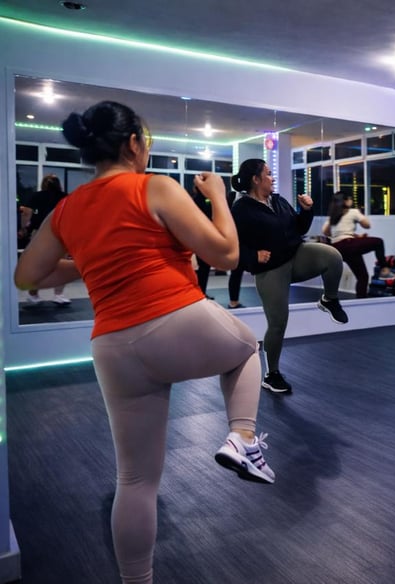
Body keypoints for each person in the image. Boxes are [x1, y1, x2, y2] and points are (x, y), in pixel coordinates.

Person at [14, 101, 274, 584]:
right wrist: (219, 196)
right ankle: (242, 438)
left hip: (113, 347)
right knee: (246, 350)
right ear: (133, 143)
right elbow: (227, 253)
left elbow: (27, 277)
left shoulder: (67, 209)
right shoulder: (154, 186)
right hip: (174, 316)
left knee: (134, 480)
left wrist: (91, 260)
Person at [231, 158, 348, 393]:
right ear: (256, 179)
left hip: (296, 255)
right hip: (271, 269)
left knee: (332, 257)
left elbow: (298, 228)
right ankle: (271, 374)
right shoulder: (241, 209)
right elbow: (232, 243)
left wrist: (306, 210)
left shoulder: (278, 200)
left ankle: (329, 299)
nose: (272, 178)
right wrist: (253, 256)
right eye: (268, 174)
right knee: (278, 324)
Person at [322, 191, 391, 298]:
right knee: (378, 242)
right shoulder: (353, 212)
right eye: (350, 199)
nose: (351, 201)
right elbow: (367, 225)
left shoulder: (333, 215)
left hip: (338, 250)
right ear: (345, 201)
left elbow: (325, 231)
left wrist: (353, 236)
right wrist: (360, 215)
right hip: (349, 245)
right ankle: (384, 269)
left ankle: (360, 300)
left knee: (363, 276)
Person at [25, 174, 71, 305]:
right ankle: (59, 295)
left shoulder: (37, 196)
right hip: (59, 232)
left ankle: (33, 295)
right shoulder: (65, 197)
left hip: (40, 232)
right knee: (62, 264)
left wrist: (24, 227)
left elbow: (27, 212)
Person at [190, 185, 215, 299]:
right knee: (203, 268)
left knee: (203, 268)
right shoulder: (203, 201)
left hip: (200, 238)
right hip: (202, 239)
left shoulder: (200, 201)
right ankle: (200, 293)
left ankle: (201, 293)